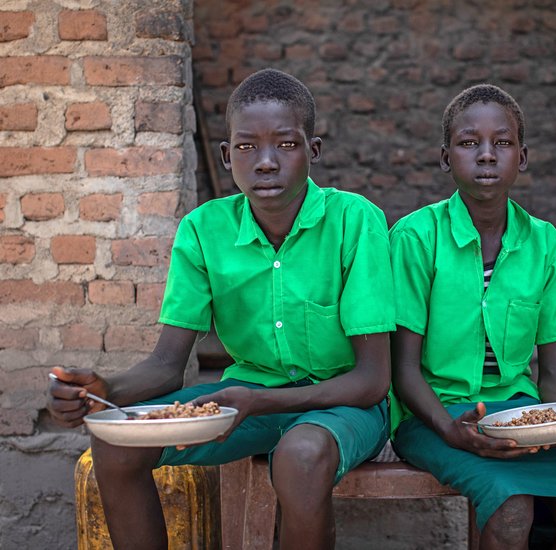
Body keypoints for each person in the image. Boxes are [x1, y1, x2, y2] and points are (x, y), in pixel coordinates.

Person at [47, 68, 395, 550]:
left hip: (344, 405)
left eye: (287, 145)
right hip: (246, 399)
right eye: (248, 147)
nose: (267, 162)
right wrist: (110, 390)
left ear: (313, 151)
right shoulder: (203, 230)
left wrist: (260, 401)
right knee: (115, 442)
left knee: (300, 453)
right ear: (227, 155)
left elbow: (372, 379)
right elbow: (168, 365)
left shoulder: (355, 221)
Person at [389, 84, 556, 550]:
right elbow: (403, 370)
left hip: (520, 414)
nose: (486, 155)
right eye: (469, 143)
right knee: (512, 512)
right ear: (446, 157)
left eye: (503, 143)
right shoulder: (415, 238)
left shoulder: (546, 245)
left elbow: (554, 370)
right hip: (434, 417)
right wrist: (452, 430)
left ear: (522, 157)